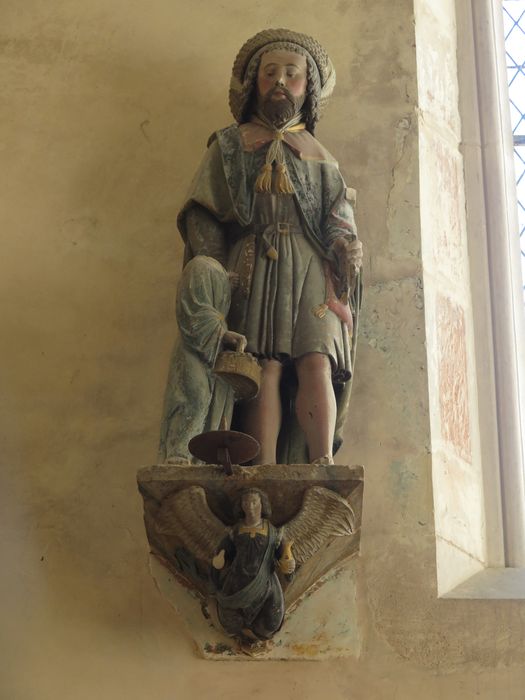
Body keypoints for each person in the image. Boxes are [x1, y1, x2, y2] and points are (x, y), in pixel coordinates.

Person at [177, 29, 363, 465]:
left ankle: (322, 462)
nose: (281, 82)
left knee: (315, 359)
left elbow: (336, 215)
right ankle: (265, 469)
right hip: (255, 262)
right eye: (270, 73)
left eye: (292, 75)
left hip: (311, 266)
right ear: (253, 83)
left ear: (308, 88)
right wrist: (219, 273)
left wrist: (346, 246)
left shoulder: (320, 156)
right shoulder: (229, 146)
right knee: (266, 365)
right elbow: (204, 211)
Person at [158, 255, 246, 463]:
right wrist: (221, 334)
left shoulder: (215, 271)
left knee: (215, 403)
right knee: (194, 397)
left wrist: (224, 283)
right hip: (194, 348)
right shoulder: (199, 266)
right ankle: (179, 453)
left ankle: (201, 460)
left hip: (214, 349)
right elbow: (191, 309)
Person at [211, 488, 294, 642]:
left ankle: (259, 635)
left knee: (270, 621)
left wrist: (288, 566)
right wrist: (218, 561)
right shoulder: (235, 531)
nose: (250, 506)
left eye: (254, 502)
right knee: (230, 619)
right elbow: (222, 553)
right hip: (236, 584)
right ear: (241, 506)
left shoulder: (273, 532)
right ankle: (240, 635)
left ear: (262, 505)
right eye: (246, 502)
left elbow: (285, 556)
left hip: (266, 585)